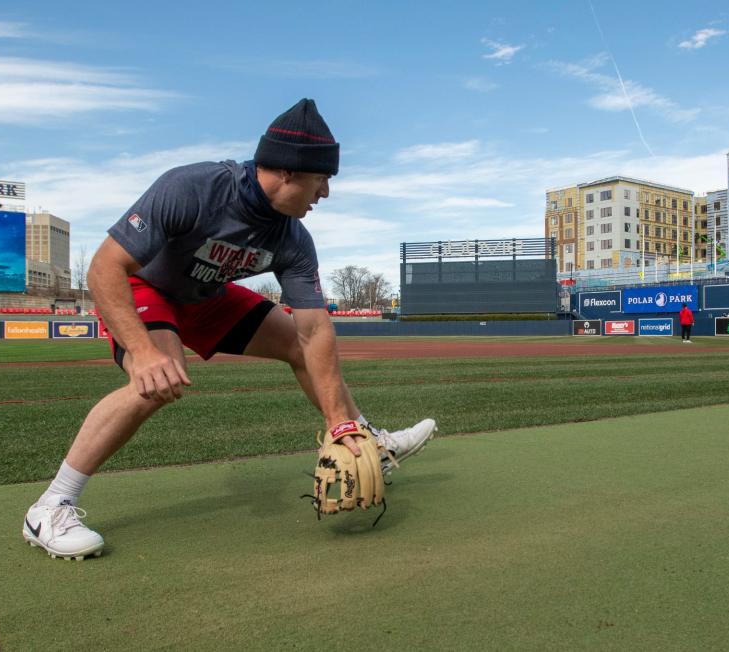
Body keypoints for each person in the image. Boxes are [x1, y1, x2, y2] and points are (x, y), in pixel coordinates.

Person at [22, 99, 437, 560]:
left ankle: (362, 437)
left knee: (300, 348)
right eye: (322, 179)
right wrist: (141, 350)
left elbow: (314, 330)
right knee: (158, 381)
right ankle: (51, 506)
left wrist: (338, 421)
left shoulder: (293, 238)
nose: (324, 193)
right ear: (288, 171)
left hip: (208, 296)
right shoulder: (194, 188)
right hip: (146, 287)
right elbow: (104, 268)